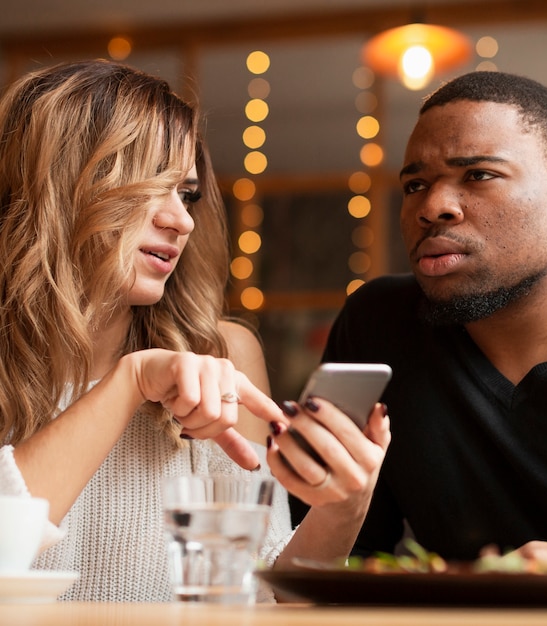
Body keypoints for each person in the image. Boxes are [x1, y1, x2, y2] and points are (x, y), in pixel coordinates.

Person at [0, 59, 390, 601]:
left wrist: (341, 509)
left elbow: (266, 594)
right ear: (57, 186)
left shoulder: (222, 354)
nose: (181, 219)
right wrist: (129, 382)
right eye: (148, 187)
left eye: (186, 194)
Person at [320, 70, 547, 566]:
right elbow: (337, 558)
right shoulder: (378, 324)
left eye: (479, 175)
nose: (432, 207)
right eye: (415, 184)